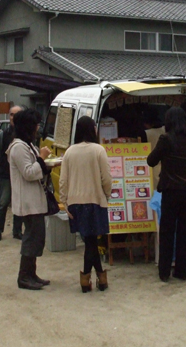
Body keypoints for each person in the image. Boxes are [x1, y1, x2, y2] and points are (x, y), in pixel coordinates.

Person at [146, 107, 186, 282]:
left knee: (167, 231)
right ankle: (182, 271)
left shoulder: (166, 139)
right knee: (185, 230)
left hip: (171, 191)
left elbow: (151, 160)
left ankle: (164, 272)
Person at [59, 116, 112, 293]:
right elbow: (106, 178)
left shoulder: (69, 152)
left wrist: (65, 201)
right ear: (92, 130)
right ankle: (97, 279)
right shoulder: (99, 150)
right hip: (96, 200)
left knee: (89, 241)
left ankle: (90, 279)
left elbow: (63, 180)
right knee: (91, 241)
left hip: (75, 202)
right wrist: (107, 195)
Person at [7, 109, 52, 290]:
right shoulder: (18, 147)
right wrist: (42, 159)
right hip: (28, 200)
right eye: (35, 125)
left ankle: (31, 273)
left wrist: (46, 165)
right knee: (32, 237)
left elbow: (36, 167)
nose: (38, 128)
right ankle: (24, 276)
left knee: (37, 237)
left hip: (34, 199)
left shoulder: (28, 145)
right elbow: (29, 172)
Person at [0, 105, 24, 241]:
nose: (13, 117)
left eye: (16, 115)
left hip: (21, 175)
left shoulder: (25, 135)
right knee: (2, 203)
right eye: (11, 114)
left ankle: (17, 231)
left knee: (19, 204)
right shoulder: (3, 134)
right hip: (6, 174)